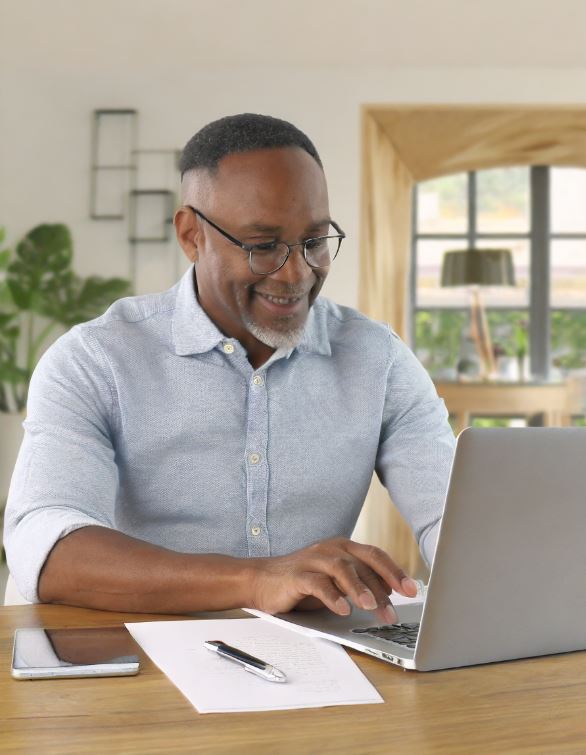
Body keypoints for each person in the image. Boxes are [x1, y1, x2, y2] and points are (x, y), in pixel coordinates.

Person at [4, 113, 455, 622]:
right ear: (192, 235)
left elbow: (454, 519)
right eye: (263, 247)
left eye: (313, 242)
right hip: (141, 656)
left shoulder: (379, 360)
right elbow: (44, 544)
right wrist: (256, 580)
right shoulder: (95, 359)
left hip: (315, 659)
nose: (296, 274)